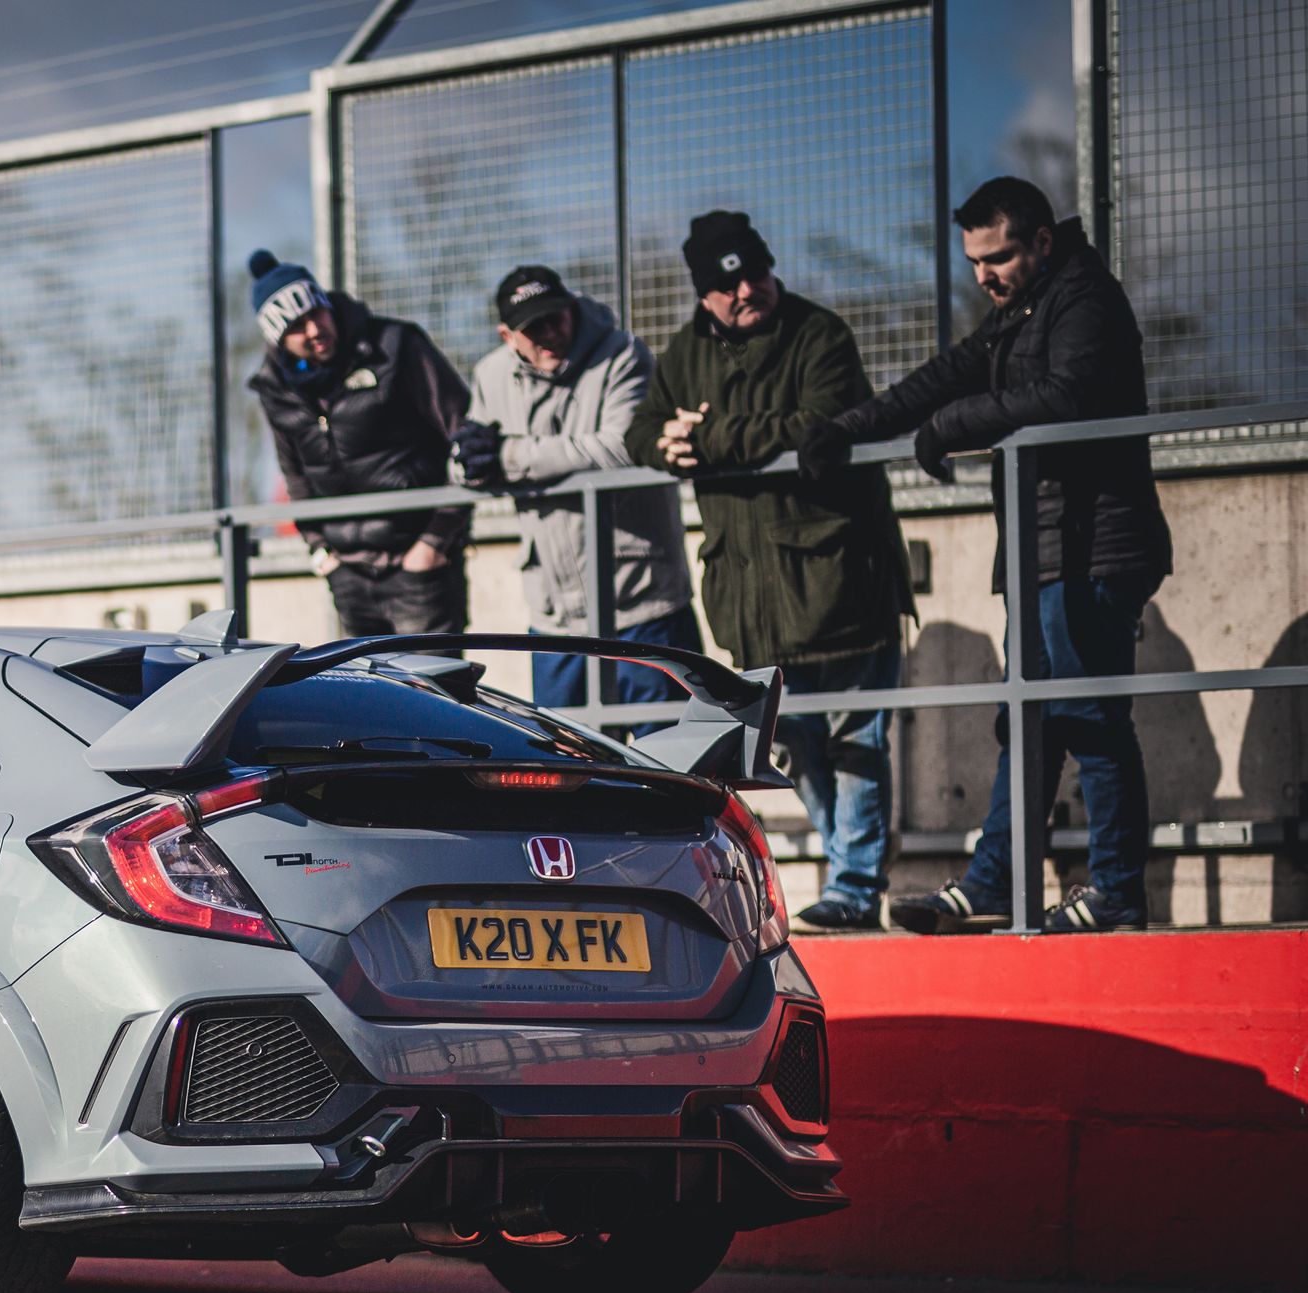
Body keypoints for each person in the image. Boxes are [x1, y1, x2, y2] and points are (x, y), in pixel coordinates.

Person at [804, 177, 1173, 934]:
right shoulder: (1022, 311)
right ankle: (995, 882)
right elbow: (943, 377)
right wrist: (849, 427)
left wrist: (954, 424)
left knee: (1089, 720)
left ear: (1040, 241)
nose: (983, 275)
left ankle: (1116, 895)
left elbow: (1066, 397)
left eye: (997, 256)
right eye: (973, 261)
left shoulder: (1085, 301)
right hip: (1043, 550)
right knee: (1027, 724)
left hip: (1093, 550)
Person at [629, 211, 915, 932]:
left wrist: (708, 437)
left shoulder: (820, 335)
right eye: (726, 287)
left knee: (857, 739)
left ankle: (854, 882)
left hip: (838, 581)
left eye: (754, 275)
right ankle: (850, 866)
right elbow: (642, 431)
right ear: (702, 294)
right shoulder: (686, 350)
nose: (746, 293)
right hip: (753, 598)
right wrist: (667, 442)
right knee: (799, 742)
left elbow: (817, 424)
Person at [453, 264, 691, 729]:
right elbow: (471, 463)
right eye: (531, 328)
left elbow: (621, 446)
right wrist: (468, 462)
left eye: (555, 319)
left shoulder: (622, 353)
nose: (548, 335)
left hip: (640, 602)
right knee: (568, 770)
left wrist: (511, 457)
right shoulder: (490, 375)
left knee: (668, 766)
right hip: (556, 617)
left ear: (572, 309)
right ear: (507, 336)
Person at [244, 250, 472, 638]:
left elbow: (466, 440)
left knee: (431, 695)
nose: (314, 330)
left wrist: (434, 541)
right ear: (278, 338)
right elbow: (295, 475)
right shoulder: (274, 389)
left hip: (419, 567)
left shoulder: (395, 347)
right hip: (347, 574)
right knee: (366, 696)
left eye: (317, 313)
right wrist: (322, 552)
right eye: (297, 326)